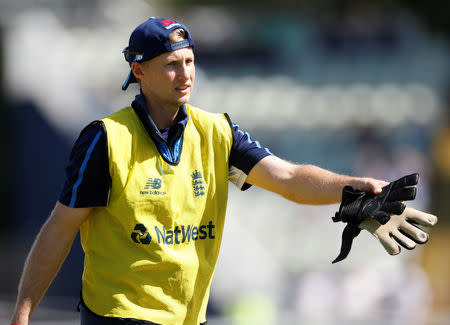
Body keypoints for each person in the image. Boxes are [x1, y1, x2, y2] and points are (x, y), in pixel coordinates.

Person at [9, 17, 432, 325]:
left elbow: (286, 178)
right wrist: (23, 314)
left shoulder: (218, 132)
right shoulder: (106, 138)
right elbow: (60, 229)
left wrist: (353, 188)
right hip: (121, 317)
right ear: (139, 71)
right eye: (171, 64)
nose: (185, 74)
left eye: (190, 61)